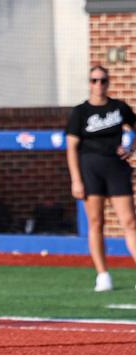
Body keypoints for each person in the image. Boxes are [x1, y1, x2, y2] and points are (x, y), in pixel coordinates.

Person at [66, 65, 136, 292]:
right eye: (94, 80)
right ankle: (103, 274)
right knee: (96, 223)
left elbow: (133, 129)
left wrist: (130, 147)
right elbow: (71, 147)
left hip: (116, 169)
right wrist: (76, 179)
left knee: (129, 222)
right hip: (90, 170)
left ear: (108, 82)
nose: (98, 85)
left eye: (103, 80)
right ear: (89, 83)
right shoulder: (80, 112)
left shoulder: (119, 108)